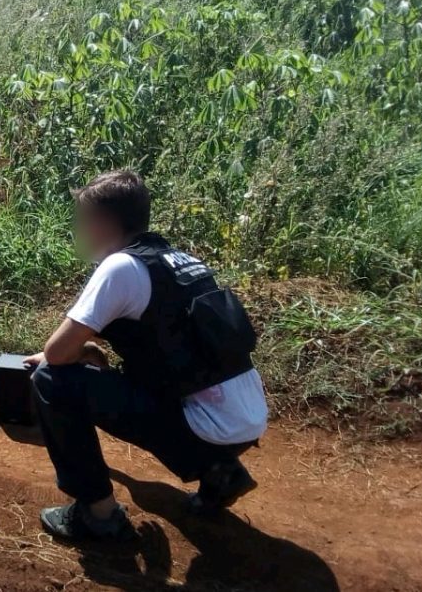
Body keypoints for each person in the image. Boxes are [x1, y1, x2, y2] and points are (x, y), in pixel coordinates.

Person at [25, 169, 268, 541]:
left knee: (51, 381)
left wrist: (71, 354)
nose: (79, 229)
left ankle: (97, 513)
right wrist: (81, 350)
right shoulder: (180, 260)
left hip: (205, 427)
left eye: (82, 220)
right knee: (131, 380)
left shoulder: (120, 266)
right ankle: (221, 472)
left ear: (104, 222)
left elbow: (57, 355)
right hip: (243, 419)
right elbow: (171, 345)